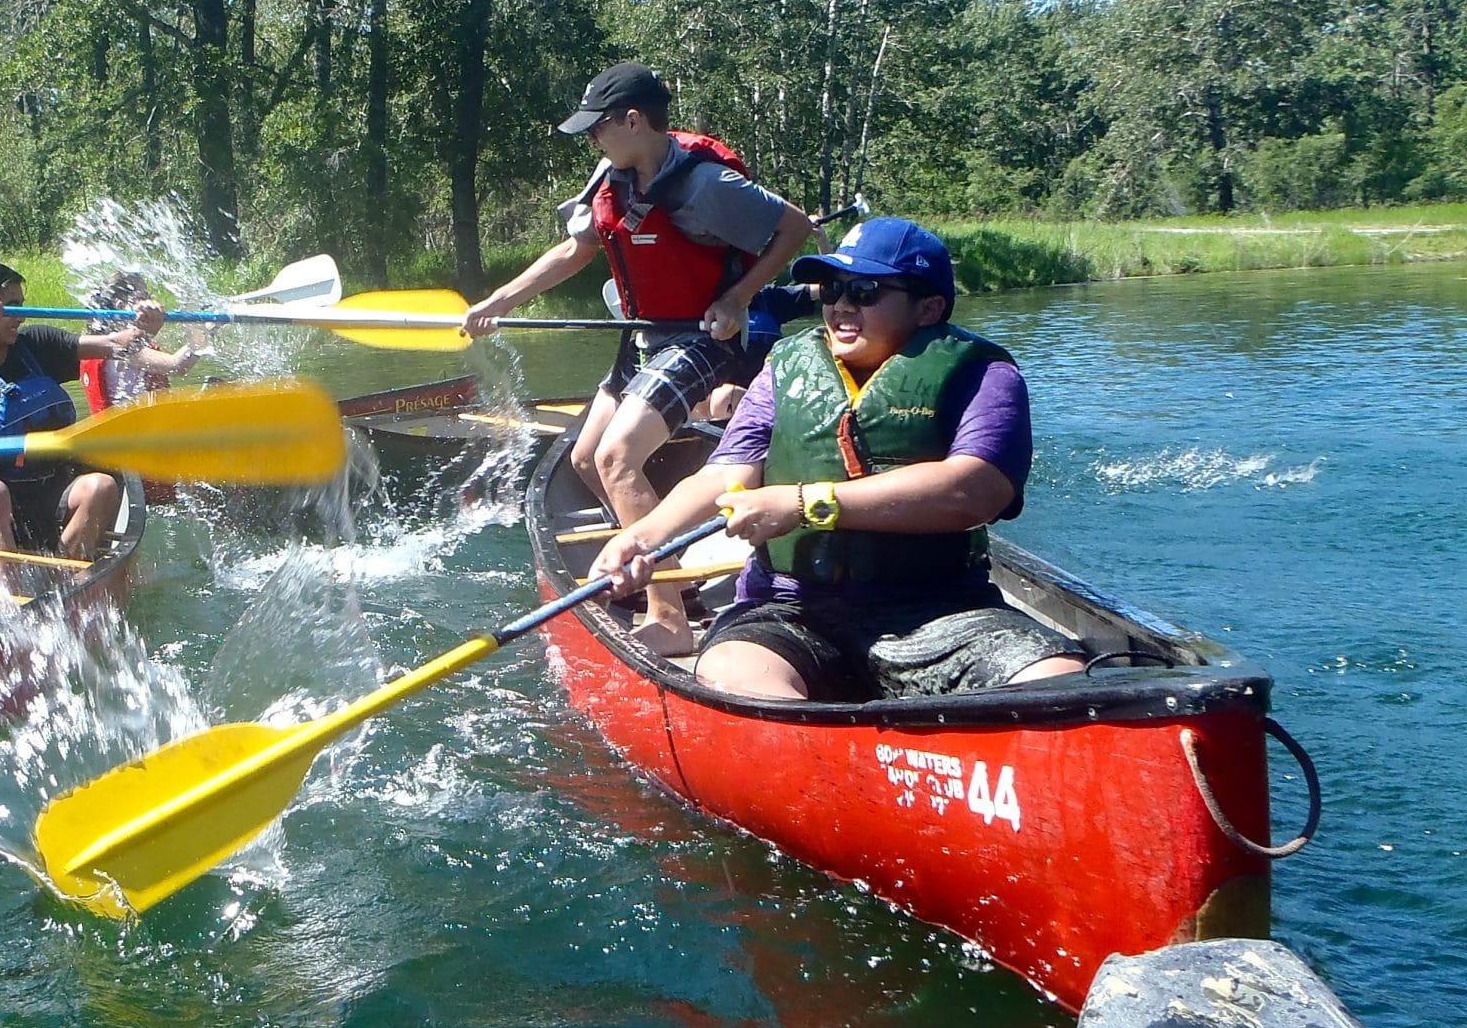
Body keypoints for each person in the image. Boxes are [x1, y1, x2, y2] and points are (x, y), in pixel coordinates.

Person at [588, 217, 1087, 702]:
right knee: (736, 677)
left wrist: (807, 503)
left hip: (941, 607)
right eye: (831, 289)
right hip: (789, 607)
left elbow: (975, 491)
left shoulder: (986, 375)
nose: (842, 306)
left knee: (1060, 680)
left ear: (929, 308)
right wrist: (641, 538)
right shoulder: (786, 369)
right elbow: (727, 471)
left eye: (865, 292)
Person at [465, 62, 814, 653]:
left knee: (617, 458)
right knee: (582, 461)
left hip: (702, 337)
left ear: (633, 120)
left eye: (598, 127)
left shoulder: (709, 187)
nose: (592, 139)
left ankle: (670, 615)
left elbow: (795, 229)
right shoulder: (612, 173)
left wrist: (739, 296)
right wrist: (500, 300)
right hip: (643, 337)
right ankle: (663, 564)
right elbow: (577, 249)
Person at [0, 258, 164, 567]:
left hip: (52, 487)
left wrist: (142, 328)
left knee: (101, 486)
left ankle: (63, 582)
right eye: (11, 306)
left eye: (22, 304)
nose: (20, 315)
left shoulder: (37, 344)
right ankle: (12, 608)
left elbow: (114, 343)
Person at [80, 269, 206, 411]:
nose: (151, 299)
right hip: (135, 429)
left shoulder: (99, 343)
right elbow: (178, 366)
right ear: (121, 306)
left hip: (128, 426)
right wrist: (210, 327)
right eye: (144, 296)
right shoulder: (123, 348)